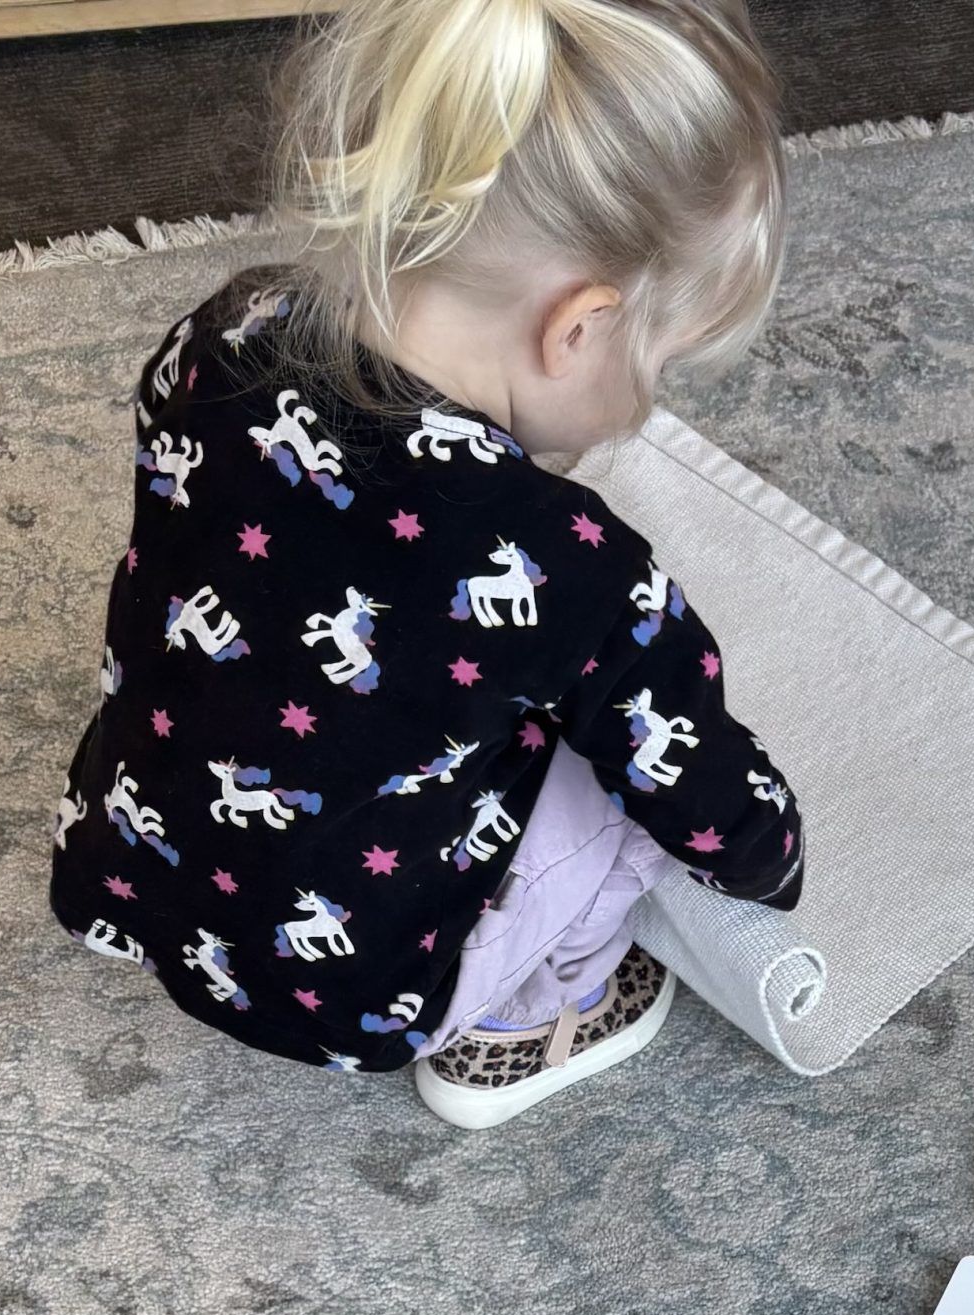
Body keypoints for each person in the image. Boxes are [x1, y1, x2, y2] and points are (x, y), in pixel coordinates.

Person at [48, 0, 802, 1128]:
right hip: (357, 994)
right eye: (661, 364)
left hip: (127, 869)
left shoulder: (226, 333)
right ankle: (528, 1015)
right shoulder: (570, 565)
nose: (649, 398)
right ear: (577, 328)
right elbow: (691, 776)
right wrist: (772, 858)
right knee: (611, 788)